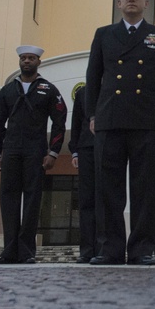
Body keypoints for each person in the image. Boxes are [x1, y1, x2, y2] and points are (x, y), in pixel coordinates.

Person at [86, 0, 155, 266]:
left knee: (145, 189)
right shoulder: (103, 34)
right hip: (110, 118)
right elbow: (93, 77)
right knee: (108, 190)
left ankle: (141, 250)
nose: (131, 0)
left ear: (146, 2)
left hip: (146, 120)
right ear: (118, 2)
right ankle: (110, 249)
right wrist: (92, 114)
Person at [0, 45, 66, 264]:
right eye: (23, 58)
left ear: (38, 62)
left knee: (32, 201)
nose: (26, 61)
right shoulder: (7, 91)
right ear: (19, 61)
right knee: (9, 200)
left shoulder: (48, 89)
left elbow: (60, 120)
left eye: (31, 58)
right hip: (11, 150)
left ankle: (26, 252)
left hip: (36, 151)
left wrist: (53, 152)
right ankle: (9, 251)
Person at [68, 83, 96, 264]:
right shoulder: (83, 92)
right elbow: (76, 122)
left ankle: (107, 249)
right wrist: (75, 151)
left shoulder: (116, 85)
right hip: (87, 148)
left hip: (110, 147)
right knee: (86, 200)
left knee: (108, 199)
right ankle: (87, 250)